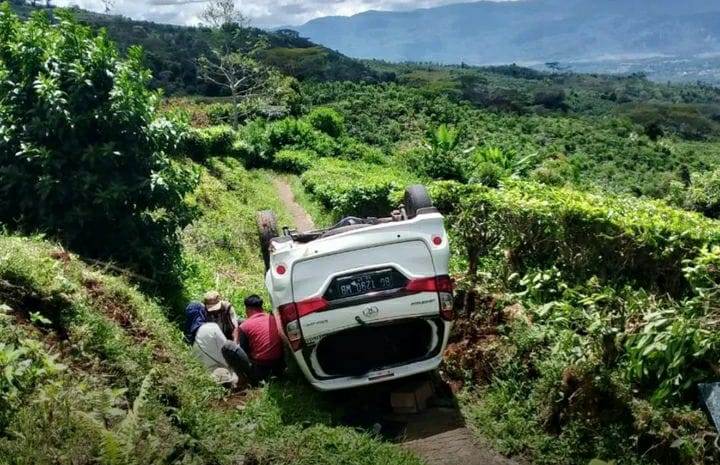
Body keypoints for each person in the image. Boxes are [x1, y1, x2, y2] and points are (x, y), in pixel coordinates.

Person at [230, 295, 285, 383]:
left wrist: (235, 339)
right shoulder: (273, 319)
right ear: (261, 307)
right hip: (280, 365)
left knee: (229, 348)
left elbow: (244, 353)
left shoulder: (244, 326)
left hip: (261, 370)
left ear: (247, 309)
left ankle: (243, 381)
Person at [184, 302, 240, 387]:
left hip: (206, 373)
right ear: (202, 313)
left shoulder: (187, 337)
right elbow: (226, 347)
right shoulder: (211, 327)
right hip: (223, 369)